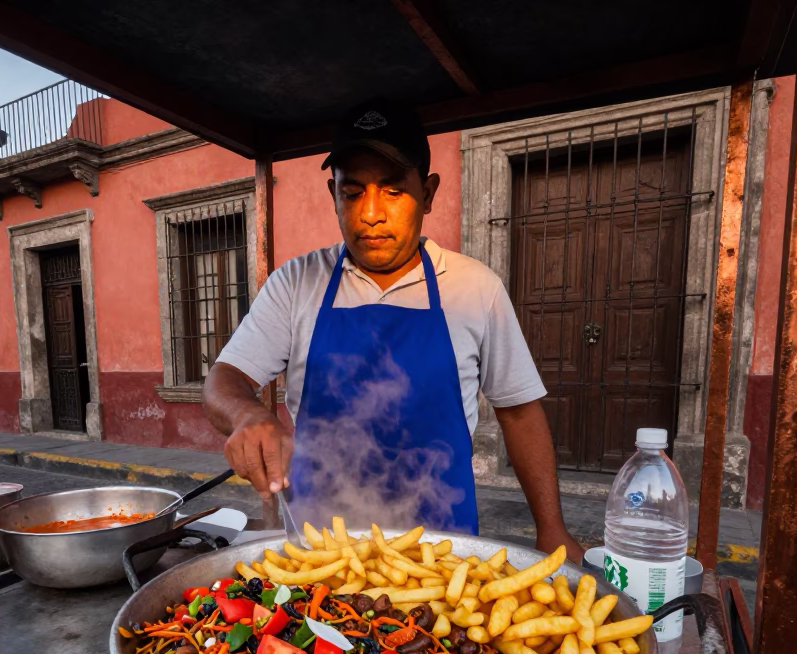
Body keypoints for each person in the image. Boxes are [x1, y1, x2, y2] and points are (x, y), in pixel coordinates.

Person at [203, 99, 584, 561]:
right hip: (321, 557)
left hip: (446, 557)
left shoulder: (474, 287)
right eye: (353, 192)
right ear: (333, 194)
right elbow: (224, 379)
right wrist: (246, 415)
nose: (371, 213)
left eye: (392, 190)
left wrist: (553, 527)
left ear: (427, 192)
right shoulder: (297, 282)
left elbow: (520, 413)